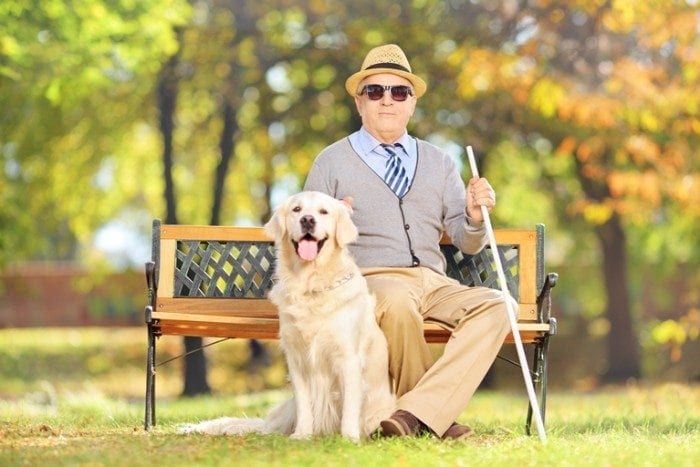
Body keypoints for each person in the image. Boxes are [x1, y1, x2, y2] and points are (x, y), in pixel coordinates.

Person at [303, 44, 513, 440]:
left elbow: (468, 244)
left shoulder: (440, 161)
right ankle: (434, 419)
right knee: (398, 302)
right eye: (375, 91)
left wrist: (471, 215)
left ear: (412, 103)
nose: (387, 100)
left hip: (434, 281)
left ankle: (415, 414)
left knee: (500, 305)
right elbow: (307, 238)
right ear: (359, 102)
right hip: (369, 279)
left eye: (398, 92)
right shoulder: (331, 161)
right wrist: (332, 226)